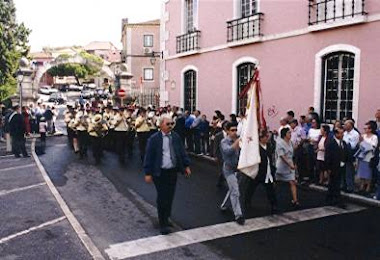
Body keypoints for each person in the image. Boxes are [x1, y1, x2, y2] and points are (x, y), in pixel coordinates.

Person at [143, 114, 191, 235]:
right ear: (161, 125)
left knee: (170, 196)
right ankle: (163, 223)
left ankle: (167, 217)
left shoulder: (175, 137)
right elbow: (149, 156)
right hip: (159, 173)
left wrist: (186, 165)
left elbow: (181, 152)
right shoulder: (154, 139)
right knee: (162, 197)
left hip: (172, 171)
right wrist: (148, 172)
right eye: (168, 124)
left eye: (172, 124)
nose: (170, 126)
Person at [240, 130, 278, 215]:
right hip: (258, 172)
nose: (267, 138)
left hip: (267, 172)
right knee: (251, 187)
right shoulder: (255, 148)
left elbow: (271, 157)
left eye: (268, 137)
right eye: (266, 137)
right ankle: (247, 202)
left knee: (270, 189)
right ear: (261, 138)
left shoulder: (269, 146)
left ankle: (274, 205)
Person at [220, 122, 245, 225]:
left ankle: (224, 205)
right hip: (229, 169)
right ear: (227, 131)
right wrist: (237, 142)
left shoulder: (240, 139)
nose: (235, 132)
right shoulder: (224, 142)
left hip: (239, 169)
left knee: (233, 189)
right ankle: (238, 215)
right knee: (235, 191)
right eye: (232, 130)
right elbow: (228, 151)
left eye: (236, 130)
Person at [325, 127, 349, 208]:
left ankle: (331, 198)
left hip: (341, 166)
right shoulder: (331, 144)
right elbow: (328, 156)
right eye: (340, 133)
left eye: (342, 133)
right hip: (333, 167)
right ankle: (334, 199)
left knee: (336, 183)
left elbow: (346, 154)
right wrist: (328, 168)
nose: (342, 135)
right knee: (334, 183)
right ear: (336, 134)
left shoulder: (344, 143)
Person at [276, 127, 299, 207]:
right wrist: (290, 164)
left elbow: (293, 154)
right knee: (277, 182)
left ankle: (295, 200)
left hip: (290, 164)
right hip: (282, 165)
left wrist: (293, 163)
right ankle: (275, 198)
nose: (290, 134)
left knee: (292, 182)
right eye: (289, 133)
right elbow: (282, 156)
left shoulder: (291, 142)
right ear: (284, 134)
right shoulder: (279, 143)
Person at [356, 121, 378, 194]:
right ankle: (362, 186)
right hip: (362, 156)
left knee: (368, 172)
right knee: (362, 172)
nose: (365, 130)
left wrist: (363, 142)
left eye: (366, 128)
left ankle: (368, 187)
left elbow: (372, 147)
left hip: (369, 157)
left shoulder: (374, 137)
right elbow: (360, 145)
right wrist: (360, 142)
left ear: (370, 129)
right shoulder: (363, 136)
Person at [343, 120, 360, 193]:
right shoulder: (345, 133)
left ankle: (350, 187)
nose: (344, 126)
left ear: (350, 126)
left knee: (349, 171)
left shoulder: (355, 134)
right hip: (343, 153)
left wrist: (346, 144)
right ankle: (344, 185)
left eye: (346, 125)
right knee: (343, 171)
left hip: (350, 154)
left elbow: (353, 146)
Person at [214, 121, 228, 187]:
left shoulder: (231, 135)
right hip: (220, 155)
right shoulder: (218, 135)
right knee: (222, 169)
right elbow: (215, 146)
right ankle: (220, 181)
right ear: (224, 127)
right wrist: (215, 155)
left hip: (228, 155)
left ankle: (222, 180)